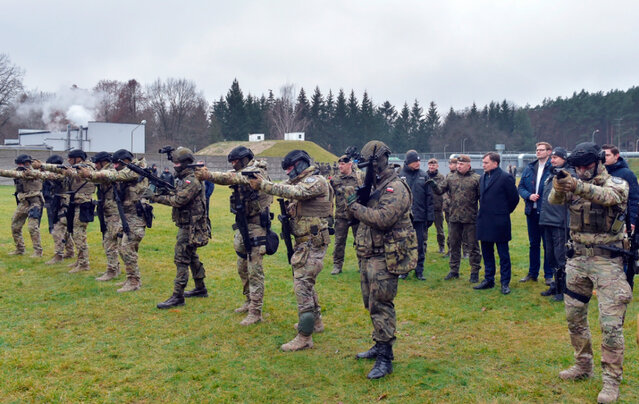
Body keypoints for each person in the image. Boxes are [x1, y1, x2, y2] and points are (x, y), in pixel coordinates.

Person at [549, 142, 631, 404]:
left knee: (610, 325)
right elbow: (554, 201)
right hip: (577, 259)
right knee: (574, 317)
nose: (582, 171)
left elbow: (608, 198)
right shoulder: (573, 182)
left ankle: (611, 382)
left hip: (608, 262)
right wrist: (559, 185)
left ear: (599, 162)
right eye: (578, 167)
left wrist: (576, 185)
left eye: (587, 166)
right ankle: (583, 364)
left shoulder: (618, 182)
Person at [248, 150, 332, 352]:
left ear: (301, 165)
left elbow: (296, 193)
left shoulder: (316, 181)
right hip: (304, 243)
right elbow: (287, 189)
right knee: (307, 283)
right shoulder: (300, 181)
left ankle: (305, 337)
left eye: (290, 169)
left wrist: (263, 185)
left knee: (302, 286)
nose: (288, 173)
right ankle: (316, 322)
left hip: (312, 243)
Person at [346, 140, 416, 379]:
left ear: (382, 159)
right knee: (371, 303)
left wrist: (355, 208)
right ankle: (379, 344)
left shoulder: (395, 187)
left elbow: (384, 219)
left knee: (382, 304)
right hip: (368, 253)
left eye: (372, 164)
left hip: (386, 256)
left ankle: (386, 357)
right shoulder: (373, 184)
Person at [195, 146, 273, 325]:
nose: (234, 165)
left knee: (255, 271)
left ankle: (256, 311)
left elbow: (235, 177)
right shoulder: (243, 170)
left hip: (257, 226)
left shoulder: (256, 171)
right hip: (244, 224)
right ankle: (248, 301)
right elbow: (230, 174)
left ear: (245, 159)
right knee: (242, 267)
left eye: (236, 162)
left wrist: (209, 176)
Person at [78, 149, 151, 292]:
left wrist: (92, 174)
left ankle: (134, 280)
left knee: (125, 248)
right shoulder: (127, 170)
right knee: (124, 247)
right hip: (127, 216)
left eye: (118, 163)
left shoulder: (136, 169)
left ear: (126, 161)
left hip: (136, 216)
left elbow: (117, 175)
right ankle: (130, 278)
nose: (115, 166)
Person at [152, 147, 211, 308]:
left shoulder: (191, 180)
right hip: (187, 224)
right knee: (191, 257)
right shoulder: (185, 179)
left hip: (191, 226)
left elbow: (179, 200)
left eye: (177, 163)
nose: (174, 166)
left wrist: (156, 197)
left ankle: (177, 296)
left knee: (181, 259)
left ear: (185, 164)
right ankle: (200, 288)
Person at [33, 150, 96, 272]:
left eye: (70, 159)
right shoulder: (76, 168)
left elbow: (68, 171)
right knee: (74, 233)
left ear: (78, 159)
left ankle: (83, 264)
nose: (68, 161)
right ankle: (79, 260)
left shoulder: (87, 168)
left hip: (82, 205)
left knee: (78, 234)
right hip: (73, 204)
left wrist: (43, 166)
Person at [430, 155, 482, 282]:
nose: (459, 166)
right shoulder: (450, 177)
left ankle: (474, 272)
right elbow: (440, 190)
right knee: (454, 245)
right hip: (454, 217)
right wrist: (433, 185)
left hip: (471, 218)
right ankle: (454, 270)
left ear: (468, 165)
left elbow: (482, 197)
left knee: (473, 246)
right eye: (458, 164)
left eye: (462, 164)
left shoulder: (476, 179)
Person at [474, 152, 519, 295]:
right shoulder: (482, 178)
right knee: (487, 253)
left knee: (503, 254)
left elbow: (514, 199)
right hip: (484, 221)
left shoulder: (505, 178)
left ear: (495, 163)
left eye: (486, 163)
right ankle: (489, 279)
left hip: (500, 222)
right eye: (483, 162)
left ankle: (505, 282)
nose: (483, 165)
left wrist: (503, 212)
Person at [539, 147, 573, 301]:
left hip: (560, 222)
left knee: (561, 256)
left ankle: (563, 289)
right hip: (547, 220)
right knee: (550, 256)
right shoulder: (550, 174)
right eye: (551, 158)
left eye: (556, 158)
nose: (552, 160)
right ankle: (555, 285)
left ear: (564, 158)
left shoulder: (567, 175)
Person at [518, 141, 553, 284]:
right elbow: (520, 187)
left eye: (541, 150)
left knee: (547, 245)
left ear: (549, 152)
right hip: (531, 212)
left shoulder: (553, 169)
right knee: (534, 244)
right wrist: (528, 196)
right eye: (537, 150)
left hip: (546, 213)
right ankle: (533, 273)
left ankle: (549, 275)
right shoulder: (530, 168)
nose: (538, 152)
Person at [399, 150, 434, 280]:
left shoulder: (424, 176)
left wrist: (430, 216)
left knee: (419, 245)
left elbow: (429, 198)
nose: (418, 163)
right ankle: (404, 270)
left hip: (419, 217)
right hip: (403, 217)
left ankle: (419, 270)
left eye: (419, 161)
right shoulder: (400, 175)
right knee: (404, 244)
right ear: (409, 163)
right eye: (415, 161)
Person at [0, 154, 44, 257]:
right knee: (15, 225)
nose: (20, 166)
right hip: (23, 203)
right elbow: (10, 173)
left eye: (22, 164)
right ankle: (20, 249)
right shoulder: (18, 171)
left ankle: (38, 251)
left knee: (33, 227)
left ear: (27, 163)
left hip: (35, 202)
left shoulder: (35, 172)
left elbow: (12, 173)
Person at [38, 155, 75, 263]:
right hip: (61, 203)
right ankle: (70, 251)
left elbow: (48, 176)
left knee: (57, 229)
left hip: (63, 203)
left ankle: (59, 255)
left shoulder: (61, 173)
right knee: (64, 228)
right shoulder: (65, 171)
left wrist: (40, 170)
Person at [330, 154, 363, 275]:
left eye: (343, 164)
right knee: (339, 242)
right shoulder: (335, 180)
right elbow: (330, 198)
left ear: (350, 164)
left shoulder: (359, 177)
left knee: (360, 241)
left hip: (357, 215)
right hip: (341, 216)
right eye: (339, 164)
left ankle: (362, 264)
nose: (340, 166)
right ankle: (337, 265)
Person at [602, 144, 639, 229]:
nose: (605, 158)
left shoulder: (627, 174)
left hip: (620, 219)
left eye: (608, 155)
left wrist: (632, 221)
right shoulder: (599, 173)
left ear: (616, 156)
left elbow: (634, 198)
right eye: (603, 155)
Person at [427, 158, 446, 254]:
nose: (431, 167)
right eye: (430, 165)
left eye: (433, 165)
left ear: (437, 166)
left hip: (437, 207)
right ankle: (423, 246)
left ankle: (441, 246)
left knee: (440, 230)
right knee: (424, 230)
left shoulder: (441, 177)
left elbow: (442, 191)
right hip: (426, 207)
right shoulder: (424, 176)